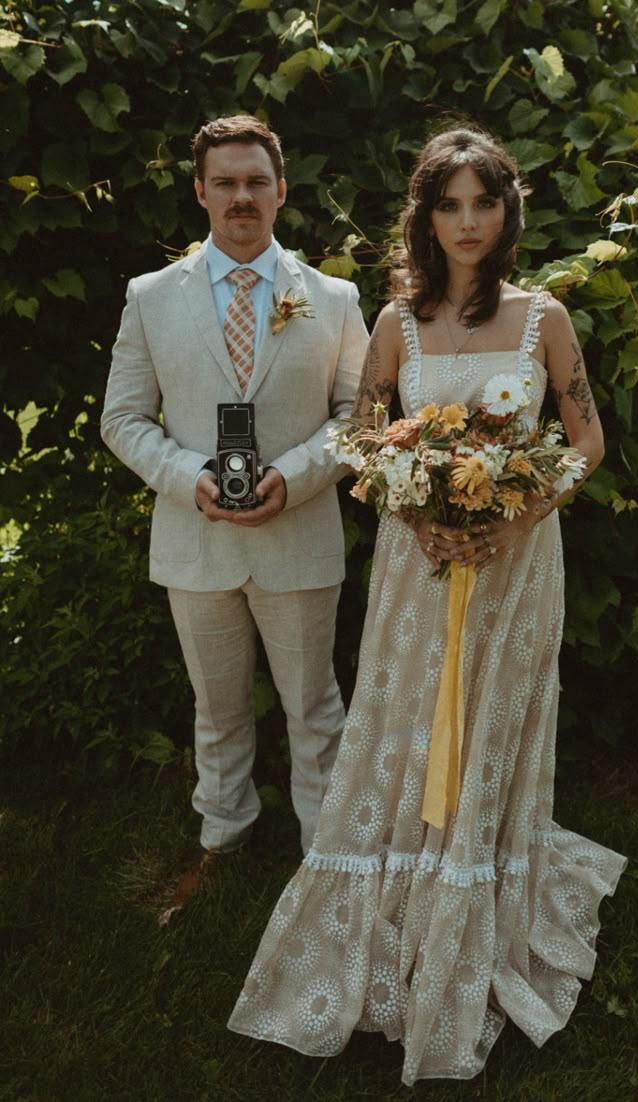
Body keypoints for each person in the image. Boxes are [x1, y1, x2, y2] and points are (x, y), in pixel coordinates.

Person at [227, 126, 626, 1085]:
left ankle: (479, 892)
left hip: (516, 561)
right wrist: (418, 509)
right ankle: (397, 893)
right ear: (426, 216)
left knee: (488, 714)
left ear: (507, 211)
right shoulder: (398, 326)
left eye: (483, 203)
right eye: (449, 205)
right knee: (408, 718)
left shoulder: (544, 319)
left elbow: (585, 440)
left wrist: (515, 517)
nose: (468, 223)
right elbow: (363, 437)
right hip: (419, 561)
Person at [101, 115, 368, 865]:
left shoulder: (335, 299)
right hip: (197, 540)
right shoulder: (151, 297)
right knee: (215, 711)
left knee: (315, 708)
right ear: (200, 192)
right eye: (226, 182)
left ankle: (328, 855)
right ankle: (225, 836)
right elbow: (121, 419)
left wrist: (299, 475)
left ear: (281, 191)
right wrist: (191, 480)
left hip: (300, 534)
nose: (241, 195)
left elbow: (359, 419)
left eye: (256, 181)